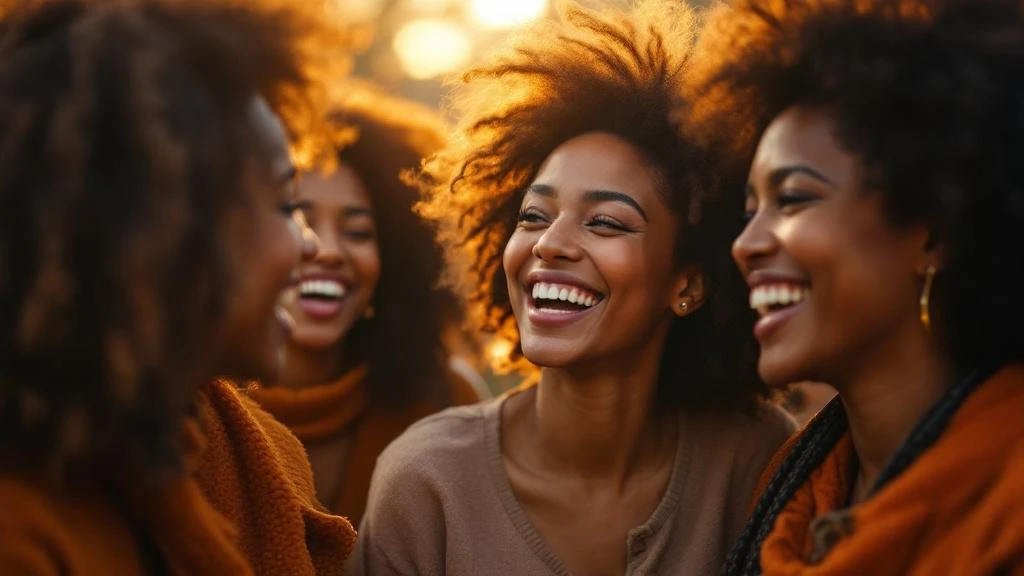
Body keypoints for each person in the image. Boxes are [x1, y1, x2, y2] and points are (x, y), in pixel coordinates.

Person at [350, 2, 794, 574]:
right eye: (533, 216)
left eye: (605, 222)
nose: (549, 243)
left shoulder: (756, 460)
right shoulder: (426, 480)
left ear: (690, 280)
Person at [0, 0, 355, 573]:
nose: (312, 246)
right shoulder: (22, 531)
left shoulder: (264, 454)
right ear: (162, 230)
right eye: (287, 204)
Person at [686, 0, 1024, 572]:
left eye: (792, 198)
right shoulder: (792, 483)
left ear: (934, 233)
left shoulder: (1008, 495)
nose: (745, 244)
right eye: (749, 211)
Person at [247, 83, 481, 527]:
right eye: (298, 218)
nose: (328, 250)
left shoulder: (445, 399)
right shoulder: (191, 406)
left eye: (358, 232)